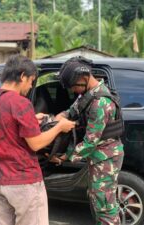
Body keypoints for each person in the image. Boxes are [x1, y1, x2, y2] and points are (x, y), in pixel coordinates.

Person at [0, 54, 75, 225]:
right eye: (31, 81)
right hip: (23, 182)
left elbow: (5, 125)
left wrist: (31, 118)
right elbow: (36, 143)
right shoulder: (21, 103)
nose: (31, 86)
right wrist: (59, 127)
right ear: (22, 76)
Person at [55, 56, 124, 225]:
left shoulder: (100, 102)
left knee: (105, 206)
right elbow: (72, 111)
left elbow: (90, 142)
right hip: (99, 157)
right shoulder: (88, 95)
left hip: (106, 158)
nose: (73, 91)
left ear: (83, 79)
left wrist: (66, 156)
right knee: (97, 199)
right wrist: (59, 118)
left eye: (73, 87)